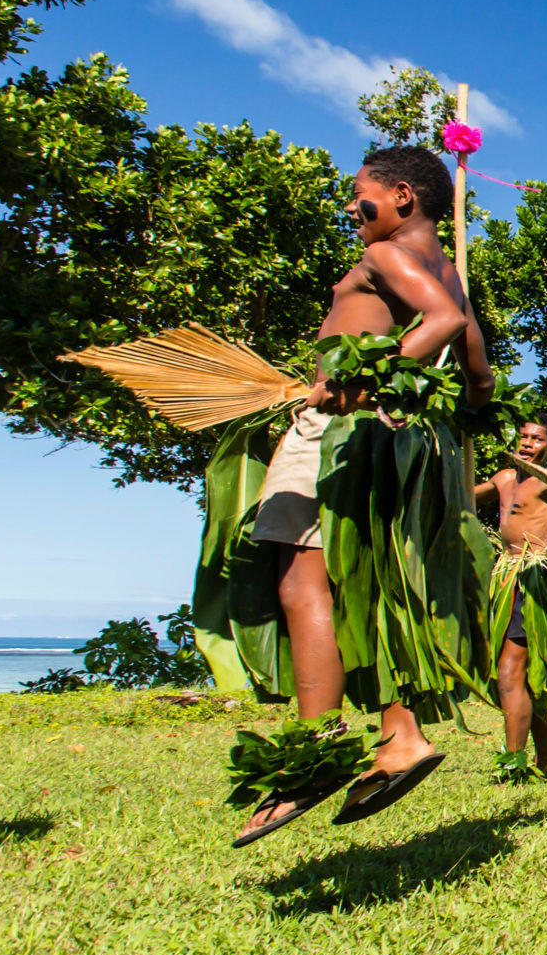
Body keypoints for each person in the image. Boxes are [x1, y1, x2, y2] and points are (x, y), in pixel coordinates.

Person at [201, 145, 498, 845]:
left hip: (342, 431)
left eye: (359, 196)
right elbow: (478, 371)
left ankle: (315, 751)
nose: (351, 208)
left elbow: (444, 326)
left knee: (301, 585)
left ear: (401, 196)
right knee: (370, 588)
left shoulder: (386, 256)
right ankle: (399, 734)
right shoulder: (448, 270)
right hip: (406, 439)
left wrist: (356, 382)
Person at [472, 419, 547, 780]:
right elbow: (462, 494)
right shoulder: (505, 478)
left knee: (510, 673)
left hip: (533, 579)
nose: (526, 443)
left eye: (536, 439)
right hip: (503, 578)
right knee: (518, 673)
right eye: (522, 436)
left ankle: (514, 763)